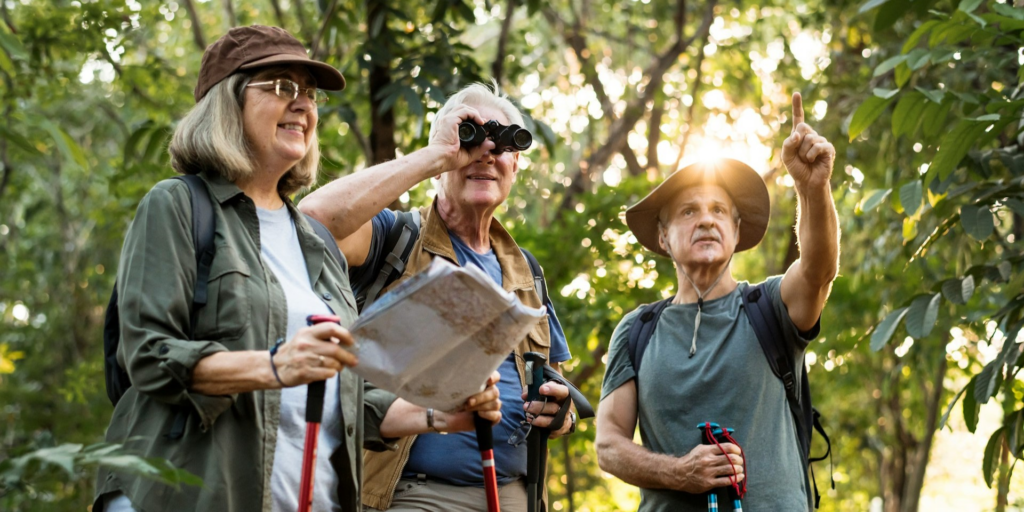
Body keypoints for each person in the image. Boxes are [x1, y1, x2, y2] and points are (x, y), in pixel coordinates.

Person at [94, 25, 499, 512]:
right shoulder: (180, 205)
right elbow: (149, 356)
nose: (304, 105)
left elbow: (347, 398)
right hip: (186, 493)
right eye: (283, 86)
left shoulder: (314, 242)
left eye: (309, 95)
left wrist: (440, 412)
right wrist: (272, 365)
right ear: (228, 102)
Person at [299, 83, 576, 511]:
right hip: (414, 494)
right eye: (471, 137)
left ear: (516, 163)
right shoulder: (395, 237)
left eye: (501, 143)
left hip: (518, 495)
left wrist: (562, 414)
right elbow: (313, 221)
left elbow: (554, 387)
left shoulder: (527, 271)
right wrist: (435, 156)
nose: (485, 153)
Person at [595, 93, 840, 512]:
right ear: (663, 237)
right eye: (688, 211)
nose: (706, 219)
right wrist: (678, 473)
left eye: (718, 210)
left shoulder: (770, 308)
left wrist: (811, 188)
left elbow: (818, 270)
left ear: (735, 228)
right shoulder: (638, 330)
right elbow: (609, 445)